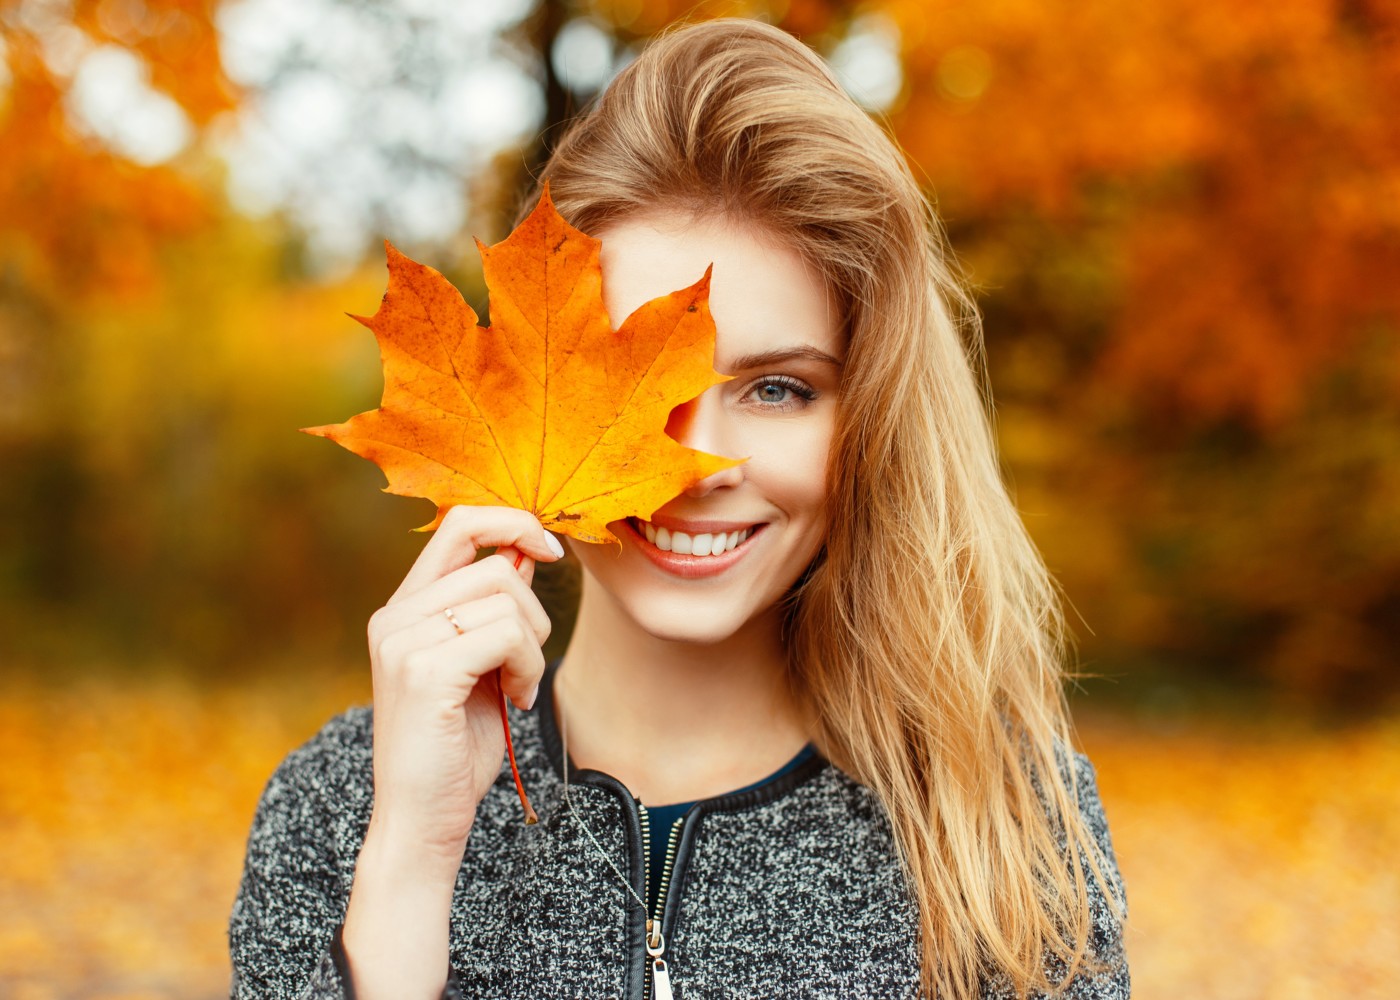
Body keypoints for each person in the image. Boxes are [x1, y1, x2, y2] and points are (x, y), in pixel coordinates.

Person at [229, 17, 1128, 1000]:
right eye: (639, 393)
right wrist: (410, 862)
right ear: (537, 395)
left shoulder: (999, 824)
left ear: (865, 424)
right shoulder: (345, 804)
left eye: (777, 389)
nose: (697, 465)